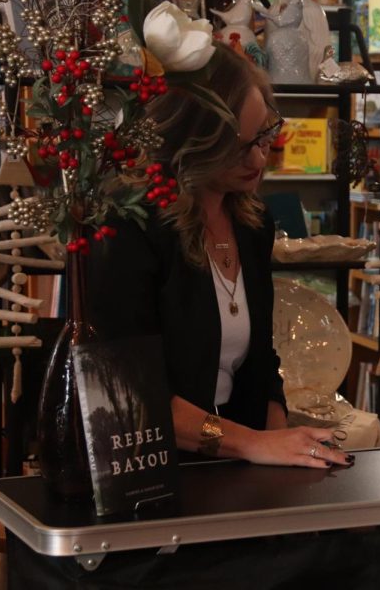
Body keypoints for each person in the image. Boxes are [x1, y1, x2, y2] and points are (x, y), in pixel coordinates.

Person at [88, 43, 352, 469]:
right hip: (150, 465)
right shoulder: (129, 226)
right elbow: (137, 396)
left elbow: (262, 366)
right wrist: (251, 444)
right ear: (192, 140)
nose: (259, 158)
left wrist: (283, 444)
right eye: (240, 145)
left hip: (232, 459)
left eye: (265, 136)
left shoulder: (251, 223)